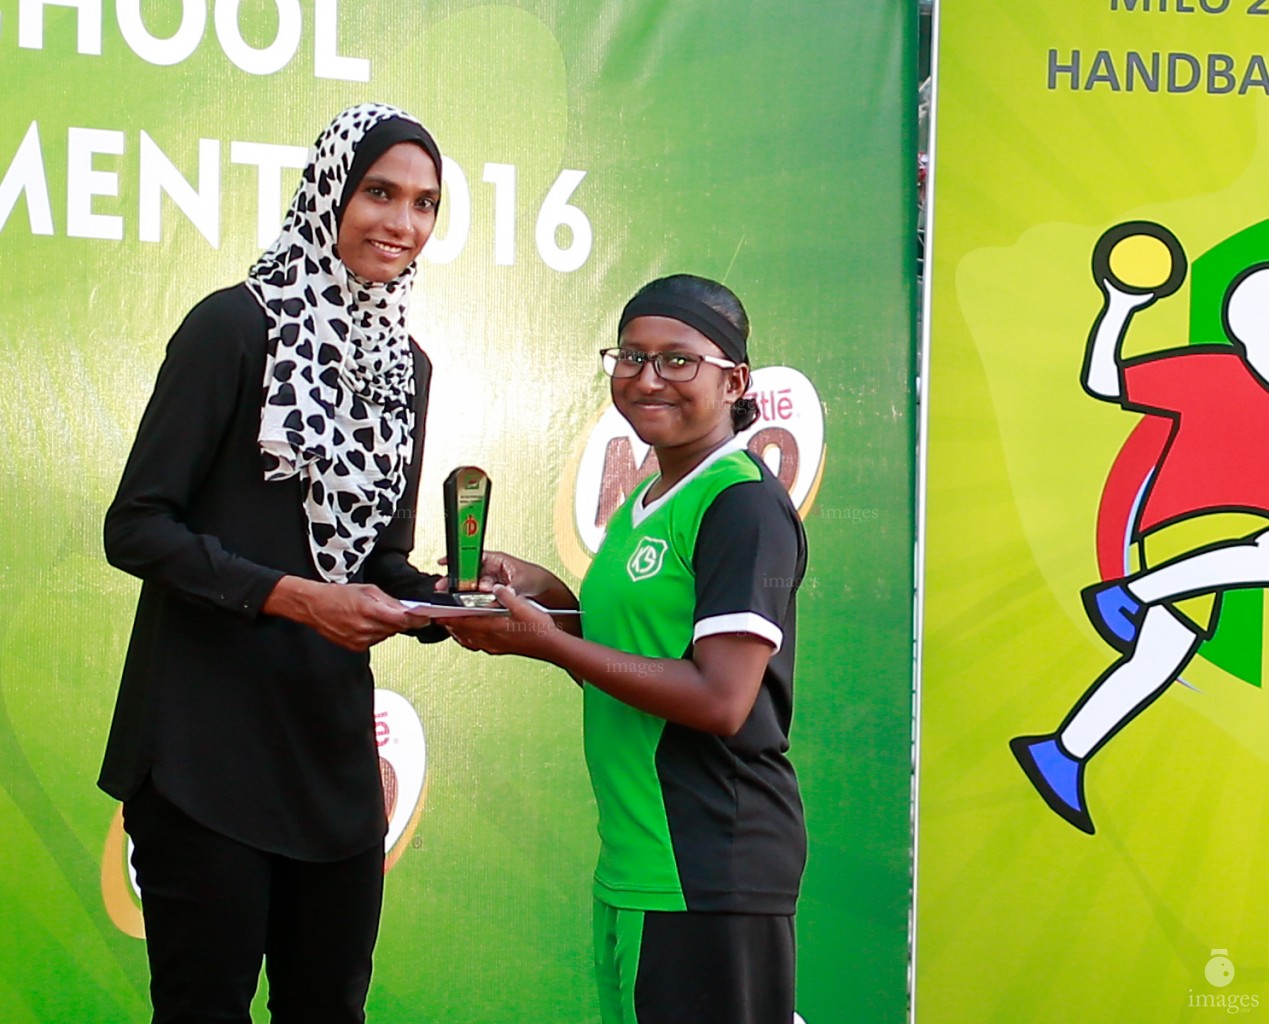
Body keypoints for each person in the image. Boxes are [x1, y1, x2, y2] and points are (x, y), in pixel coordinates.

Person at [99, 103, 447, 1023]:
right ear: (330, 191)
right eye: (379, 192)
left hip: (329, 760)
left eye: (423, 204)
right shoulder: (234, 327)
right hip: (201, 752)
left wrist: (460, 599)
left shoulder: (404, 365)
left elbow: (379, 561)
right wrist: (292, 600)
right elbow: (136, 526)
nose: (400, 224)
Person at [445, 274, 808, 1024]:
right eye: (630, 357)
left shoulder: (741, 503)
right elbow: (635, 653)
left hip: (707, 867)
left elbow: (718, 699)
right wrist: (540, 592)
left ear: (733, 379)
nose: (648, 379)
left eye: (678, 361)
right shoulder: (648, 499)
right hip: (639, 866)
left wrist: (548, 644)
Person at [1012, 240, 1269, 836]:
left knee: (1155, 661)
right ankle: (1129, 592)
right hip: (1188, 527)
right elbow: (1106, 381)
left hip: (1218, 545)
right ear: (1247, 329)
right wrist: (1120, 305)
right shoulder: (1213, 370)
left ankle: (1062, 753)